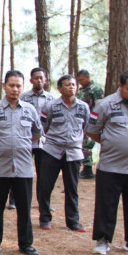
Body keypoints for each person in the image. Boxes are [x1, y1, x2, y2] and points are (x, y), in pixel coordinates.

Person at [86, 69, 128, 255]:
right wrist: (112, 142)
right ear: (120, 86)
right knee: (106, 205)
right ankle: (102, 241)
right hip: (111, 166)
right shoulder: (105, 105)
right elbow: (92, 130)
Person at [0, 70, 42, 255]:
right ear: (4, 86)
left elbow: (36, 133)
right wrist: (2, 144)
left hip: (23, 168)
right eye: (11, 85)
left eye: (18, 86)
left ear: (23, 87)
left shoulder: (30, 110)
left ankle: (26, 244)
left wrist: (19, 145)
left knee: (24, 209)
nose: (15, 89)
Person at [37, 75, 88, 232]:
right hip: (52, 151)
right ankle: (45, 218)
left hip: (73, 153)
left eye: (73, 84)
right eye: (67, 85)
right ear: (60, 88)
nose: (72, 87)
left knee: (72, 188)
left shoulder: (83, 107)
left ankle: (73, 221)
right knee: (45, 186)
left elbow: (85, 127)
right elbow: (43, 127)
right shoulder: (50, 106)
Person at [12, 67, 54, 209]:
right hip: (26, 139)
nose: (39, 80)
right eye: (36, 78)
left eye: (41, 78)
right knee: (20, 169)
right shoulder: (24, 97)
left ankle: (43, 202)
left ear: (45, 80)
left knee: (44, 174)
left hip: (43, 141)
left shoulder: (51, 98)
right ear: (31, 80)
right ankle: (13, 200)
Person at [76, 69, 104, 179]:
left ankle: (88, 169)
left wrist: (96, 121)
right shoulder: (81, 90)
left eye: (82, 80)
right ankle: (85, 167)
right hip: (81, 121)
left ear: (88, 77)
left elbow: (99, 107)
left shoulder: (95, 90)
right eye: (79, 80)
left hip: (91, 121)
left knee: (87, 144)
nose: (81, 82)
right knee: (82, 144)